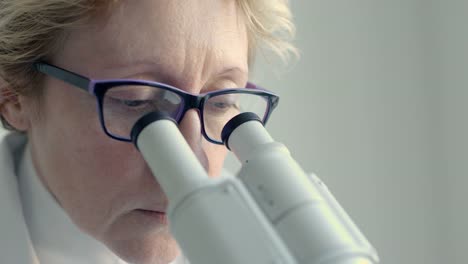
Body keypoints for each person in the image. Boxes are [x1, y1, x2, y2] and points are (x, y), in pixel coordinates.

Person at [0, 0, 296, 263]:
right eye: (135, 100)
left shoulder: (280, 241)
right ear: (11, 95)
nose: (193, 160)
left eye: (221, 102)